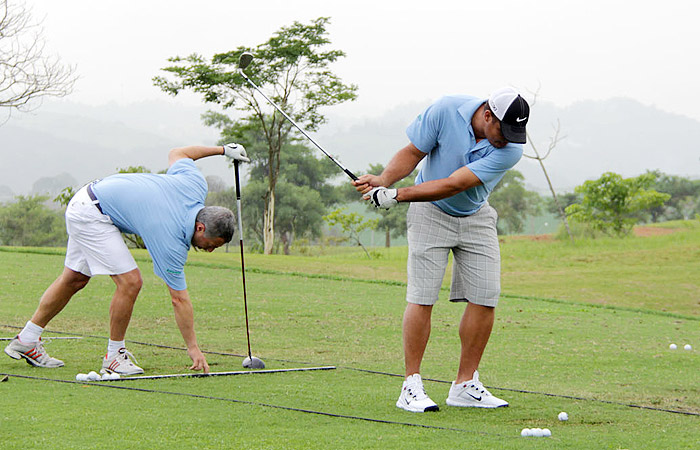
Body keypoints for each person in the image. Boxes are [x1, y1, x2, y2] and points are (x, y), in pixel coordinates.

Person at [354, 87, 530, 412]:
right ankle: (411, 385)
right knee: (422, 295)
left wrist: (397, 195)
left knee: (486, 296)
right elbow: (413, 151)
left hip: (475, 215)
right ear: (487, 115)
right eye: (503, 131)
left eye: (513, 134)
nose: (507, 140)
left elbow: (455, 184)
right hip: (429, 214)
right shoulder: (446, 109)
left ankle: (464, 385)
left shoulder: (511, 149)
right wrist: (383, 180)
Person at [4, 143, 250, 375]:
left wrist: (222, 150)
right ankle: (114, 356)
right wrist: (193, 347)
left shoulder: (195, 185)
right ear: (199, 227)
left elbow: (179, 153)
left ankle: (27, 339)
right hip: (93, 213)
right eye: (211, 245)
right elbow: (179, 299)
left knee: (75, 278)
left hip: (88, 199)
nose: (209, 251)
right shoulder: (170, 238)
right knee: (130, 282)